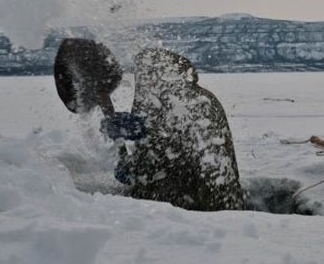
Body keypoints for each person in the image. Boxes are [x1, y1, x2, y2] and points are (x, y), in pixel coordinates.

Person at [53, 39, 244, 211]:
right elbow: (160, 162)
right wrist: (133, 165)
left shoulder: (156, 69)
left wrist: (146, 130)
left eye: (96, 96)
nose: (101, 103)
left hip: (210, 215)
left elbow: (191, 144)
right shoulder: (148, 84)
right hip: (183, 205)